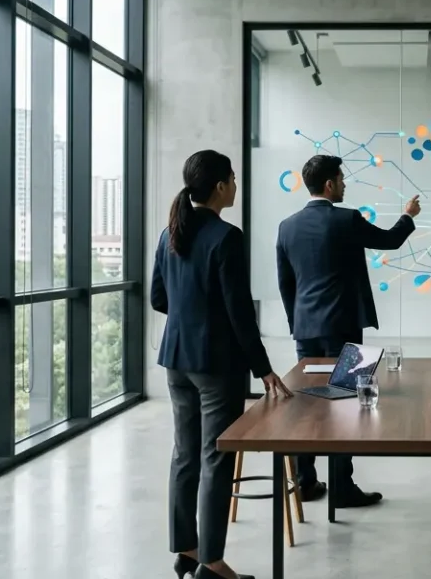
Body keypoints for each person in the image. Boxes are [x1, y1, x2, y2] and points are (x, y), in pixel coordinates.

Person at [151, 150, 293, 579]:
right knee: (216, 458)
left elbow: (160, 298)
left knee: (185, 455)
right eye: (232, 178)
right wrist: (263, 368)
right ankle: (212, 564)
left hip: (176, 360)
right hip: (215, 365)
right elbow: (239, 313)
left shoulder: (169, 232)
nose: (235, 184)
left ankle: (188, 552)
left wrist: (190, 315)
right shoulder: (226, 237)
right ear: (219, 187)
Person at [276, 154, 421, 508]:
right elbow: (390, 241)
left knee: (307, 404)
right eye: (341, 179)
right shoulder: (346, 219)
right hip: (342, 325)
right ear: (328, 184)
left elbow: (286, 283)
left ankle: (305, 482)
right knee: (343, 405)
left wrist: (298, 323)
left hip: (306, 328)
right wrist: (408, 216)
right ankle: (341, 487)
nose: (344, 184)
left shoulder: (287, 226)